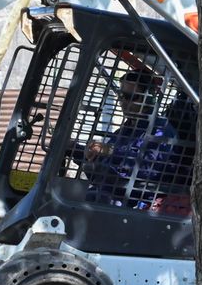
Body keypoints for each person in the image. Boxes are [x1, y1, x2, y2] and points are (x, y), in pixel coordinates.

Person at [75, 67, 185, 209]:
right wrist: (78, 151)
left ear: (149, 97)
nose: (123, 102)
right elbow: (104, 166)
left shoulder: (162, 132)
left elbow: (146, 170)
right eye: (121, 95)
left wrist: (110, 151)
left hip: (136, 205)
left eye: (131, 97)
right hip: (106, 196)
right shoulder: (124, 131)